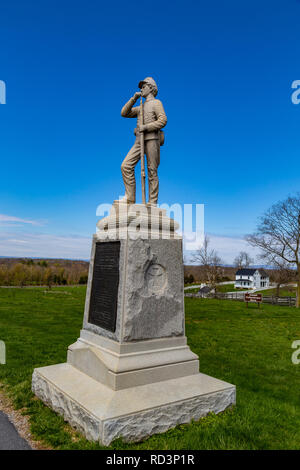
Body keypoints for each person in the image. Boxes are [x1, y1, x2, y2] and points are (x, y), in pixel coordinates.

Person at [120, 77, 167, 205]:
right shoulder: (140, 106)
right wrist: (133, 98)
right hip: (139, 141)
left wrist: (145, 127)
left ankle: (152, 202)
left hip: (152, 139)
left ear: (151, 88)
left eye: (144, 86)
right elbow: (124, 113)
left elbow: (163, 121)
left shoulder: (157, 103)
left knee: (152, 171)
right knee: (126, 165)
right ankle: (130, 198)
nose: (141, 89)